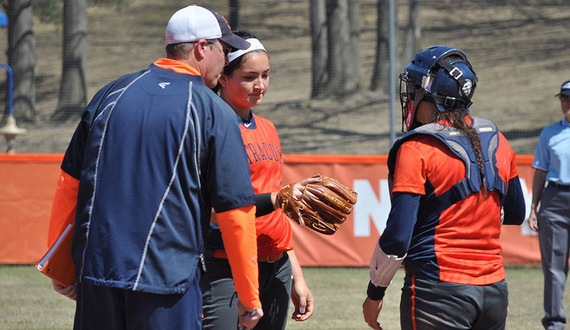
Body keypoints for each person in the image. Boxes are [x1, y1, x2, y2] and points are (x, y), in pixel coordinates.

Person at [46, 5, 264, 329]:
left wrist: (60, 266)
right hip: (167, 284)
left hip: (99, 275)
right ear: (202, 48)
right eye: (225, 48)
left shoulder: (110, 94)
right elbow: (236, 212)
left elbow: (70, 185)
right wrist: (249, 295)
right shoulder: (213, 110)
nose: (227, 59)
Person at [362, 45, 526, 330]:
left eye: (414, 88)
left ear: (431, 93)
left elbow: (399, 237)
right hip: (494, 289)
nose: (410, 96)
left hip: (438, 290)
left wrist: (374, 294)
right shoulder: (498, 140)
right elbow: (515, 212)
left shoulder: (418, 147)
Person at [201, 30, 315, 330]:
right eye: (249, 76)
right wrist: (276, 199)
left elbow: (277, 210)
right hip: (225, 263)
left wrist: (296, 276)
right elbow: (209, 208)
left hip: (276, 265)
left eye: (266, 75)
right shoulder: (209, 128)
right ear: (223, 78)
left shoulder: (267, 128)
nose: (260, 85)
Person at [528, 80, 570, 330]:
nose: (566, 102)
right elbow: (540, 172)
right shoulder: (549, 133)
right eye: (563, 98)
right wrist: (534, 207)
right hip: (554, 202)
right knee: (554, 268)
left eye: (569, 98)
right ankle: (554, 322)